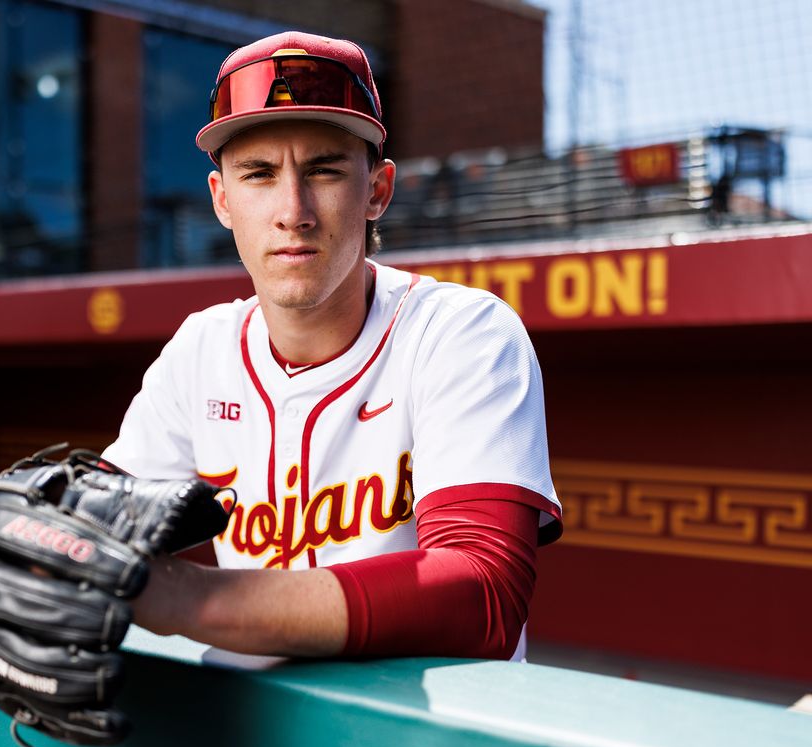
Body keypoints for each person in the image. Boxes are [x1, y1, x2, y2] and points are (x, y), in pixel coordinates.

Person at [102, 31, 562, 661]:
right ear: (222, 201)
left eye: (324, 169)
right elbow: (90, 532)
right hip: (252, 740)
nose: (294, 211)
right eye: (258, 174)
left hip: (418, 745)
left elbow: (482, 592)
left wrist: (178, 597)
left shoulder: (461, 332)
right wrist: (45, 548)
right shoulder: (200, 350)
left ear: (377, 190)